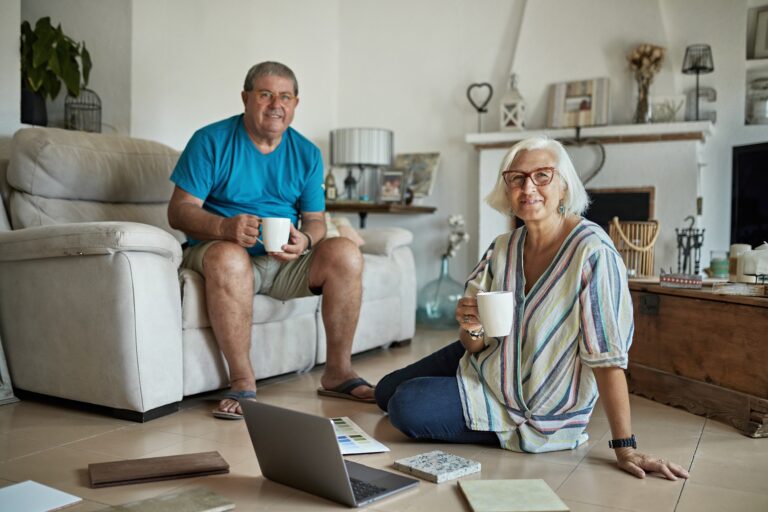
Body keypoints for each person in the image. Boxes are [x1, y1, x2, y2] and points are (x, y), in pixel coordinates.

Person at [374, 137, 690, 480]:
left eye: (542, 176)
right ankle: (460, 390)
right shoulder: (503, 247)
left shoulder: (592, 252)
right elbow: (475, 343)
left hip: (532, 405)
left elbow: (606, 356)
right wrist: (472, 327)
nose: (529, 187)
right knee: (385, 390)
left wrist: (625, 445)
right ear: (507, 188)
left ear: (564, 186)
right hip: (490, 357)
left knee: (406, 405)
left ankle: (494, 417)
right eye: (517, 178)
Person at [168, 61, 375, 420]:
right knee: (230, 257)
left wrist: (306, 240)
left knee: (345, 252)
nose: (275, 104)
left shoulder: (307, 153)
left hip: (282, 262)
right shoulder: (210, 141)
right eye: (265, 95)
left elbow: (314, 220)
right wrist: (223, 228)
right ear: (246, 98)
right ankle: (242, 380)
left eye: (285, 96)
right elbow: (179, 211)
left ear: (295, 104)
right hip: (220, 252)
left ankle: (338, 372)